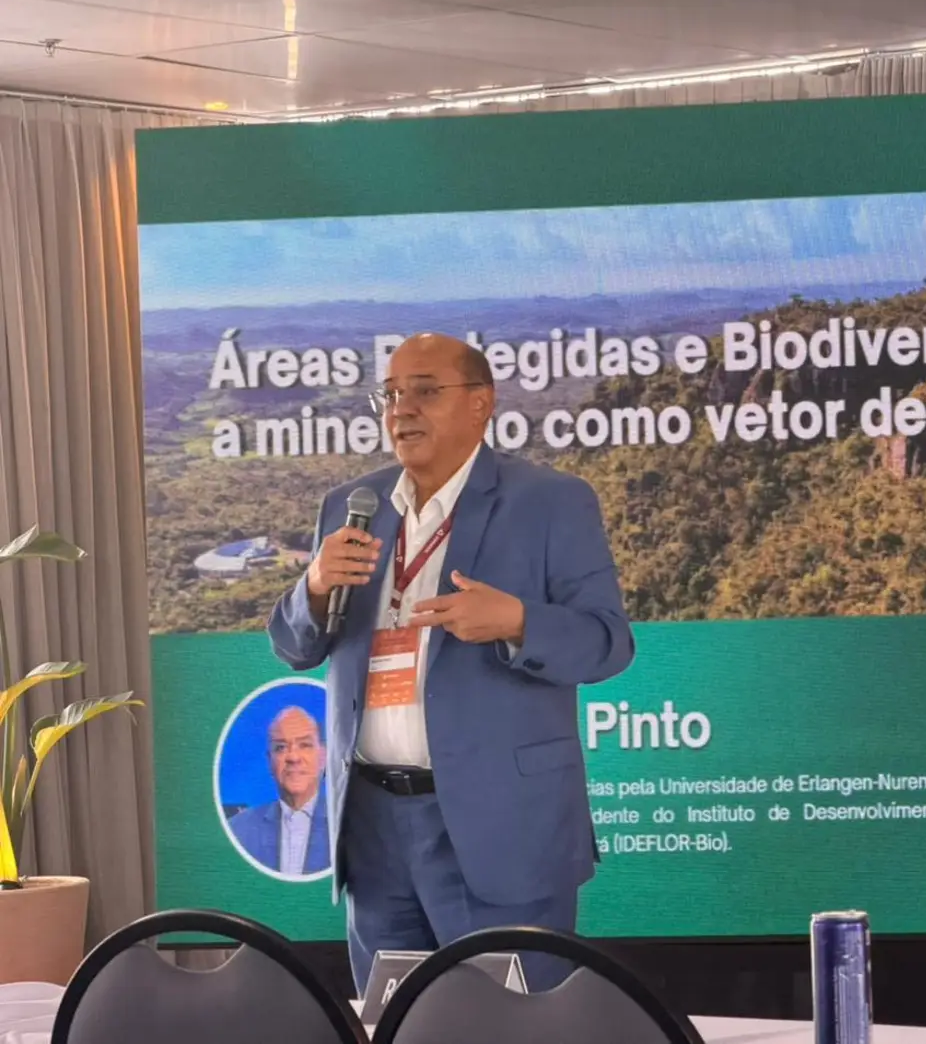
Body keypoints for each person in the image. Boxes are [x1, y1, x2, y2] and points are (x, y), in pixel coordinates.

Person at [267, 331, 634, 995]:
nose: (402, 409)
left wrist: (518, 621)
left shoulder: (550, 502)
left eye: (425, 391)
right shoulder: (352, 508)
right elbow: (296, 646)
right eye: (391, 394)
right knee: (395, 1023)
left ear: (480, 404)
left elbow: (608, 643)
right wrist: (314, 587)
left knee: (505, 1029)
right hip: (374, 829)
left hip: (500, 826)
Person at [227, 706, 331, 876]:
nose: (293, 757)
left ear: (323, 757)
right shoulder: (238, 831)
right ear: (270, 761)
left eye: (304, 745)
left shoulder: (351, 828)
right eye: (281, 748)